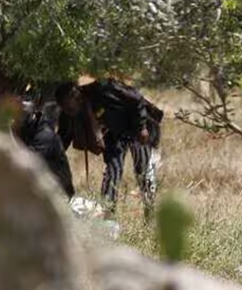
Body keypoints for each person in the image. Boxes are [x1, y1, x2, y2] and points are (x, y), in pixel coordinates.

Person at [56, 79, 164, 215]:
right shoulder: (69, 114)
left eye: (68, 106)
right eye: (64, 108)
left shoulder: (103, 89)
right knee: (113, 170)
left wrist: (142, 127)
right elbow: (61, 141)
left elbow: (137, 99)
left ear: (76, 95)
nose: (67, 111)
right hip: (114, 135)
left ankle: (150, 210)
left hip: (137, 128)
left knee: (142, 169)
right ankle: (107, 214)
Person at [16, 99, 75, 198]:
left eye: (21, 115)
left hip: (57, 190)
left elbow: (29, 161)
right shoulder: (27, 130)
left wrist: (11, 134)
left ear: (32, 115)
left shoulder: (45, 135)